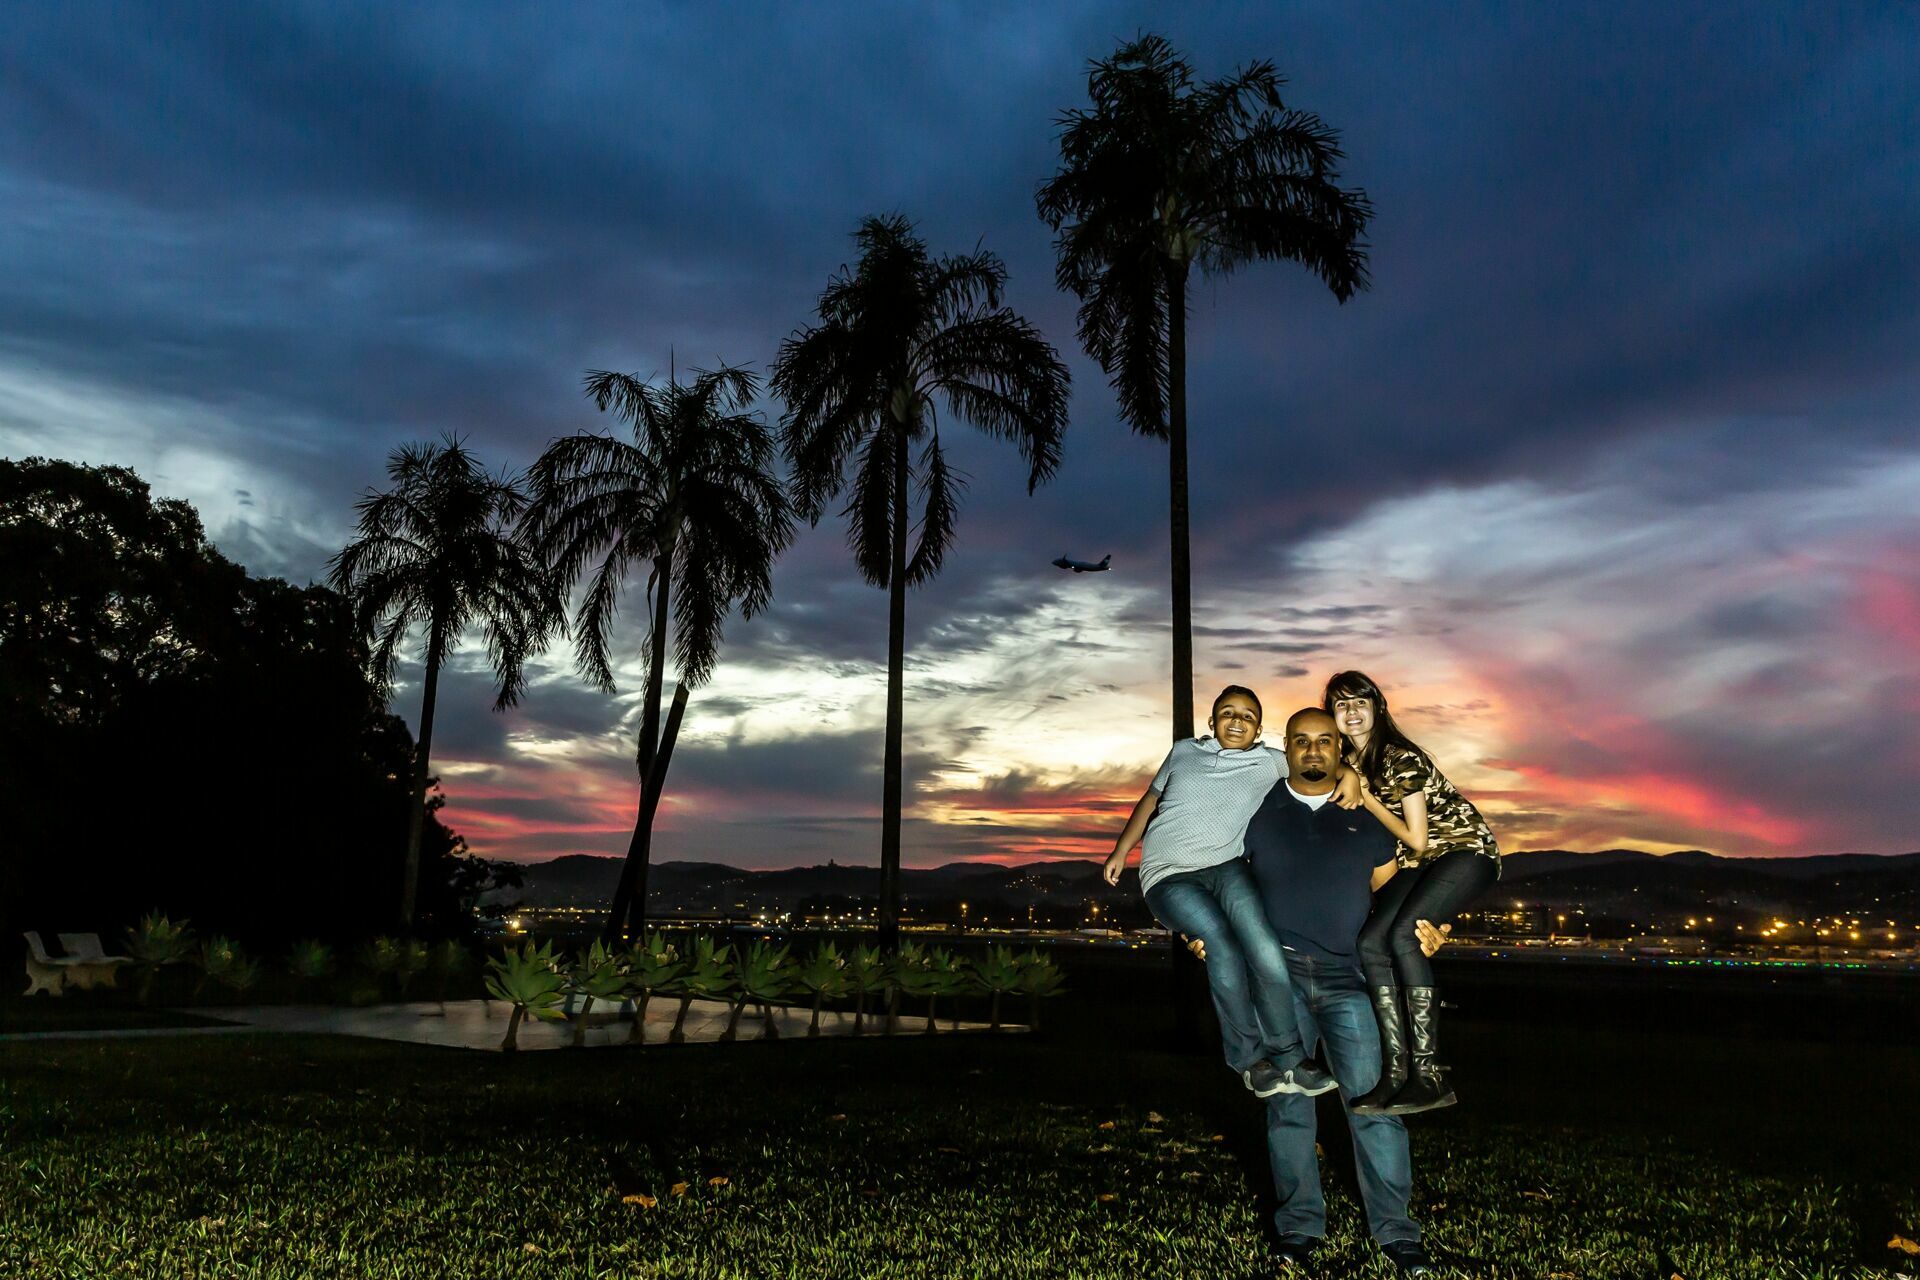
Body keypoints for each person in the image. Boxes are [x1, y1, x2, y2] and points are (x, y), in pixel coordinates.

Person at [1192, 707, 1451, 1276]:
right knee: (1288, 1107)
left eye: (1325, 741)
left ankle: (1397, 1235)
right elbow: (1212, 873)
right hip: (1275, 979)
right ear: (1286, 748)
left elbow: (1394, 896)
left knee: (1375, 1106)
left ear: (1341, 750)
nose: (1313, 751)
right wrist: (1206, 934)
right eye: (1301, 741)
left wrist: (1426, 931)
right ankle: (1298, 1231)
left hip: (1347, 982)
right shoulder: (1253, 811)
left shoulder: (1365, 819)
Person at [1104, 685, 1359, 1097]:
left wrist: (1350, 775)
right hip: (1169, 874)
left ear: (1259, 729)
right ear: (1212, 721)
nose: (1237, 721)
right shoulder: (1183, 752)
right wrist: (1122, 848)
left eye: (1247, 716)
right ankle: (1248, 1060)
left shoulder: (1270, 762)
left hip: (1227, 867)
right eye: (1227, 713)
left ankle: (1291, 1058)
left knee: (1264, 947)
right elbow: (1150, 800)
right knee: (1222, 943)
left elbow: (1315, 763)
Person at [1326, 669, 1500, 1115]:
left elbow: (1418, 838)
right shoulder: (1350, 765)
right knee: (1370, 943)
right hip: (1417, 865)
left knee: (1404, 935)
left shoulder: (1397, 757)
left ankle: (1430, 1075)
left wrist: (1366, 798)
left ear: (1378, 707)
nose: (1351, 711)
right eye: (1341, 704)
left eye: (1360, 701)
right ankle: (1396, 1073)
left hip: (1462, 850)